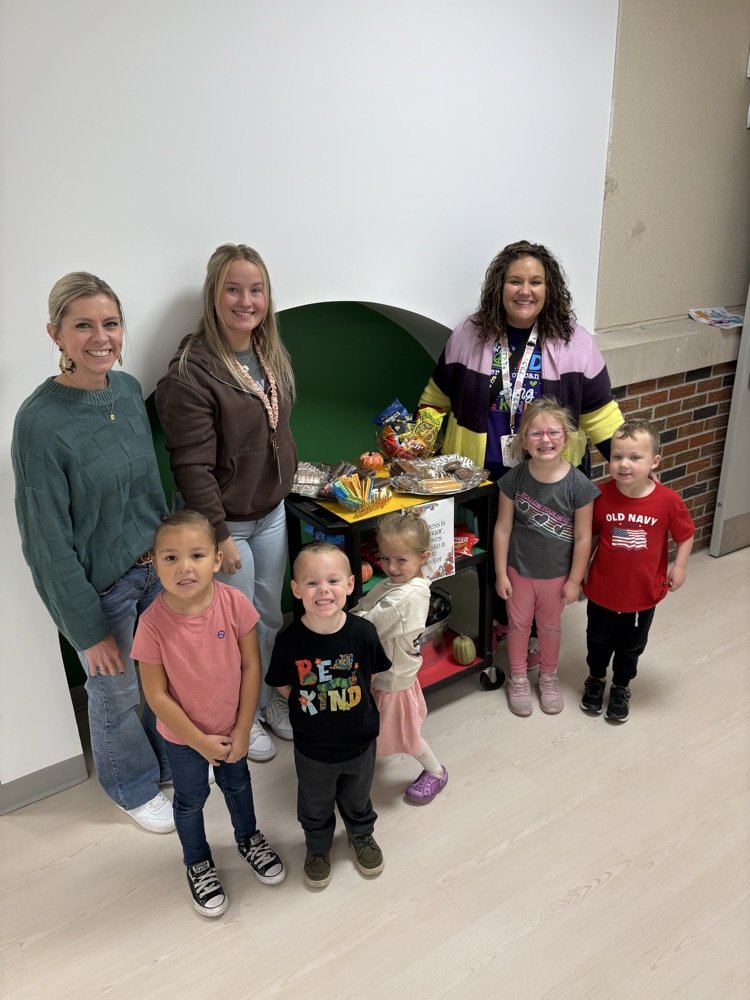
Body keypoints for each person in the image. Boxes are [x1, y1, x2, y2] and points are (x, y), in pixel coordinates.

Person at [12, 272, 173, 833]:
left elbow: (149, 489)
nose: (99, 336)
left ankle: (163, 761)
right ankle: (130, 787)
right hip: (104, 588)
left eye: (110, 323)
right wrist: (87, 629)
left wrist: (176, 562)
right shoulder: (39, 423)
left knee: (159, 678)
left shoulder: (126, 391)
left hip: (156, 571)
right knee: (115, 693)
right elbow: (45, 539)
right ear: (55, 334)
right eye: (83, 325)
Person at [419, 240, 624, 653]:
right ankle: (501, 625)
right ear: (500, 285)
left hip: (548, 476)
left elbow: (601, 414)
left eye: (535, 281)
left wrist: (627, 464)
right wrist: (416, 445)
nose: (524, 290)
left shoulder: (576, 342)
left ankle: (534, 632)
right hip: (480, 473)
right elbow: (436, 398)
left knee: (543, 553)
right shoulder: (468, 335)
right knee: (495, 551)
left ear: (550, 289)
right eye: (515, 280)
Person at [156, 243, 298, 763]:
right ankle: (246, 717)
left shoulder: (268, 350)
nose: (246, 301)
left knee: (268, 616)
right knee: (233, 630)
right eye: (233, 289)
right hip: (227, 527)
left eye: (255, 290)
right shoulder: (192, 370)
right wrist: (216, 535)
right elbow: (191, 466)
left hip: (271, 513)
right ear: (214, 295)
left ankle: (268, 702)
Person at [132, 511, 285, 917]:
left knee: (239, 785)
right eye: (170, 558)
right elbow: (156, 695)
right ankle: (197, 862)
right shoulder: (151, 624)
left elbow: (252, 667)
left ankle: (249, 838)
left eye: (197, 555)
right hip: (184, 739)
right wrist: (199, 741)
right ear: (153, 561)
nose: (185, 567)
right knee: (190, 800)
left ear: (217, 560)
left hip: (232, 729)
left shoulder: (234, 603)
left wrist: (242, 727)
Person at [266, 543, 391, 889]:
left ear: (351, 585)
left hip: (360, 742)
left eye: (333, 581)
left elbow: (372, 676)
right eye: (312, 583)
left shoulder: (363, 633)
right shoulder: (289, 641)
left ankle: (361, 834)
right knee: (315, 802)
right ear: (295, 590)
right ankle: (318, 846)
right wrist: (313, 703)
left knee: (358, 797)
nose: (323, 590)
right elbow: (281, 683)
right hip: (313, 749)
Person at [581, 418, 695, 723]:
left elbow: (685, 535)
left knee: (630, 646)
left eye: (634, 457)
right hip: (603, 590)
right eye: (617, 457)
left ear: (654, 461)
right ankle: (595, 679)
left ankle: (620, 687)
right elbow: (590, 537)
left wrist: (680, 565)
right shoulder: (600, 495)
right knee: (597, 640)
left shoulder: (668, 501)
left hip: (642, 594)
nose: (624, 464)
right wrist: (579, 570)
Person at [494, 399, 599, 716]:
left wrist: (574, 581)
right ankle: (518, 678)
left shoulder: (579, 485)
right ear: (524, 440)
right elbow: (502, 529)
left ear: (566, 439)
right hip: (518, 572)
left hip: (556, 576)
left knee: (550, 627)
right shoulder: (514, 479)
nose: (545, 440)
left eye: (553, 432)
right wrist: (501, 574)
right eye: (536, 433)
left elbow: (583, 538)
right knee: (518, 625)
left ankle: (549, 678)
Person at [351, 511, 448, 804]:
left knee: (408, 736)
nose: (390, 567)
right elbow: (366, 605)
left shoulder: (408, 596)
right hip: (382, 673)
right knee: (374, 725)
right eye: (384, 558)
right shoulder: (396, 583)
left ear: (423, 557)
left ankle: (435, 771)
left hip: (393, 680)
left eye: (400, 560)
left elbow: (369, 623)